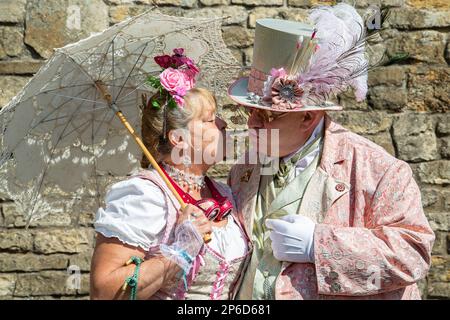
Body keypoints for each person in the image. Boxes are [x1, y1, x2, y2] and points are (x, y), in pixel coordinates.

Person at [227, 3, 435, 299]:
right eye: (251, 111)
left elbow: (413, 252)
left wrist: (319, 245)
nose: (253, 122)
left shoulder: (378, 170)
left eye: (269, 114)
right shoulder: (243, 169)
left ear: (309, 116)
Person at [90, 49, 250, 300]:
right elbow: (103, 292)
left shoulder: (225, 192)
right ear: (179, 139)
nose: (223, 124)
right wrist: (180, 250)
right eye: (209, 120)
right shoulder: (145, 196)